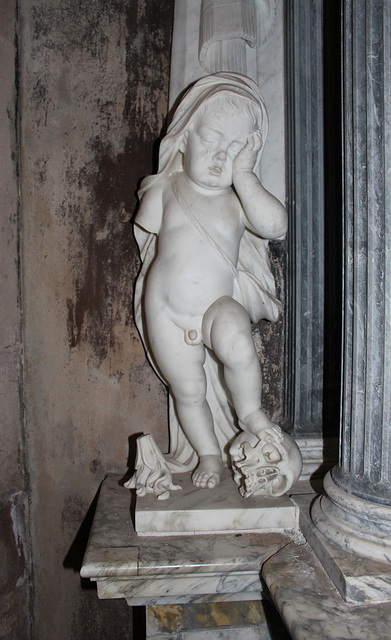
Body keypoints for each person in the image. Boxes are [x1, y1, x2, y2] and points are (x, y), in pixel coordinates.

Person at [134, 73, 287, 490]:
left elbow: (275, 226)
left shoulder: (238, 202)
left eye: (234, 148)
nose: (221, 158)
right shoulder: (164, 189)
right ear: (183, 138)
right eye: (212, 142)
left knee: (238, 342)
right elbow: (147, 238)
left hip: (216, 306)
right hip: (164, 310)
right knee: (188, 390)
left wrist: (247, 174)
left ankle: (251, 412)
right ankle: (206, 453)